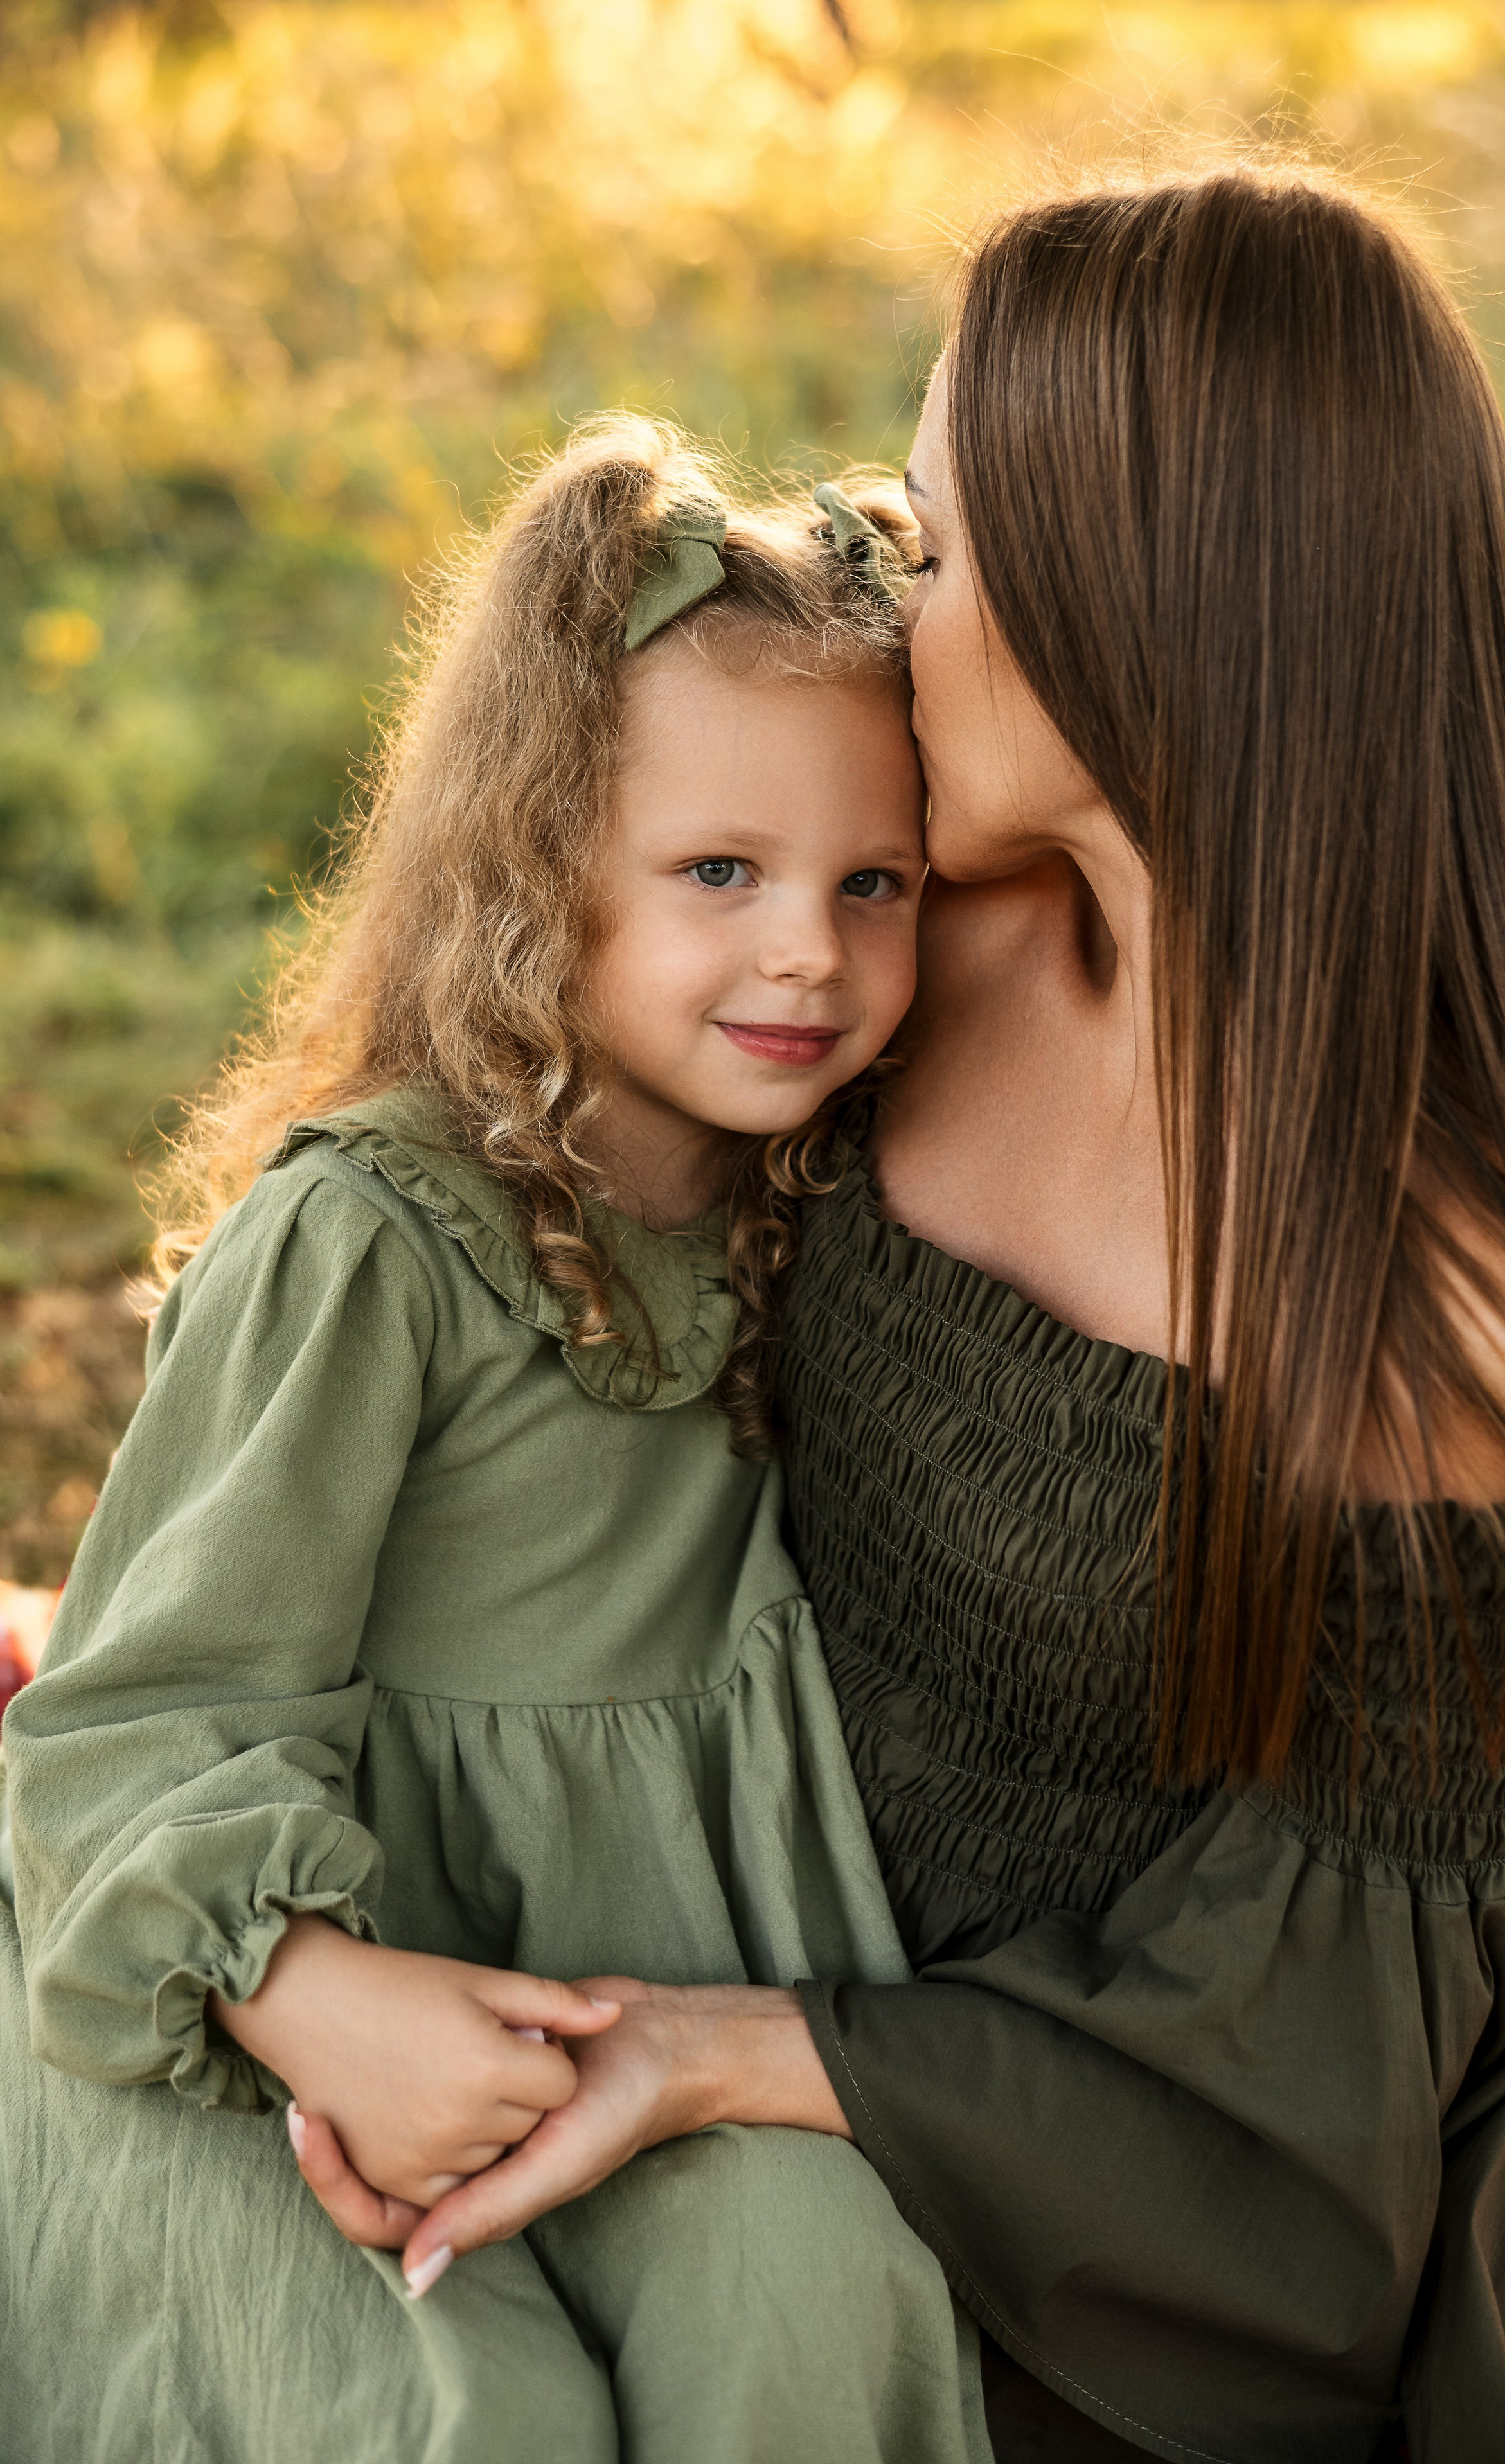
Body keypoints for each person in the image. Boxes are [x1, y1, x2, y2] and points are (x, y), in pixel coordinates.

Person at [298, 173, 1505, 2464]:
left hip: (1076, 2225)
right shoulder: (925, 929)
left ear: (1138, 603)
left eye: (934, 548)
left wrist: (709, 2057)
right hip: (669, 1890)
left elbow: (1309, 2121)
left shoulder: (1457, 1308)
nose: (889, 604)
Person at [0, 422, 993, 2464]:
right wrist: (305, 1988)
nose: (810, 949)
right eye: (718, 872)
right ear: (540, 864)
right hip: (259, 2015)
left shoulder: (824, 1203)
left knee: (824, 2290)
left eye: (873, 882)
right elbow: (122, 1721)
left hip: (637, 2010)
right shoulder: (375, 1237)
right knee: (476, 2405)